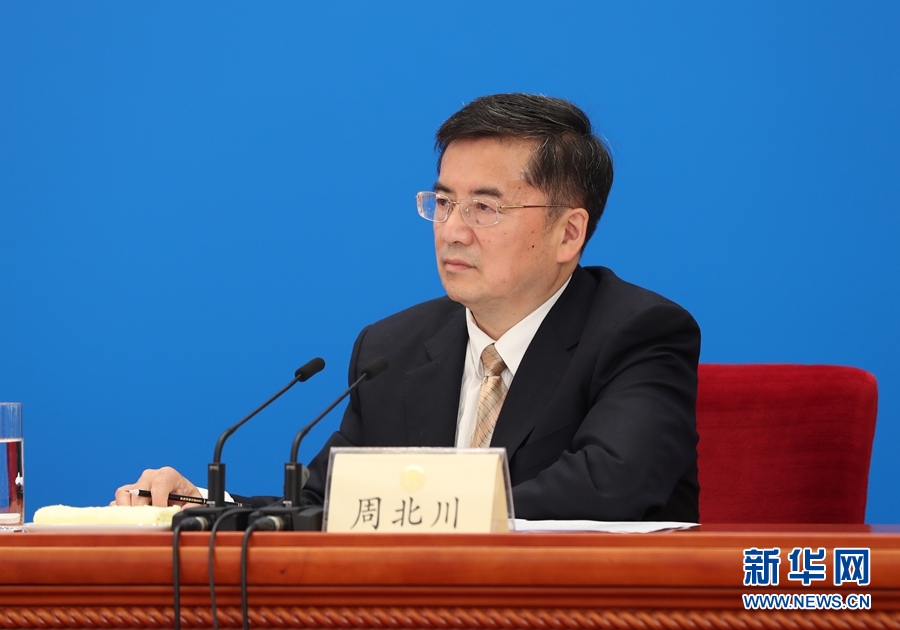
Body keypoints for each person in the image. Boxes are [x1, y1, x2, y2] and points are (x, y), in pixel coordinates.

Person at [115, 93, 701, 521]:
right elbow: (323, 502)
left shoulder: (639, 333)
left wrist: (413, 510)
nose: (452, 230)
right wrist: (205, 505)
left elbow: (610, 485)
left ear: (568, 233)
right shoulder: (394, 348)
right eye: (443, 202)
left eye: (484, 208)